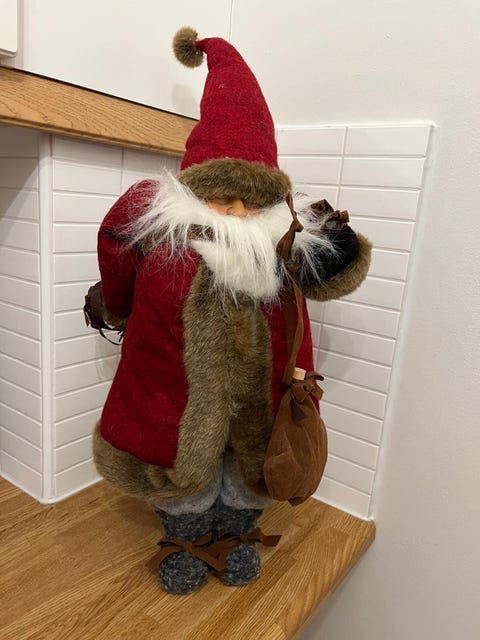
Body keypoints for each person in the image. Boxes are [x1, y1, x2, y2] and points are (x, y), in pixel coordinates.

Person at [92, 27, 371, 595]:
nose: (239, 212)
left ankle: (238, 535)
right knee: (180, 470)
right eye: (223, 198)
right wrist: (115, 306)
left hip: (263, 395)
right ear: (194, 193)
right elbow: (117, 258)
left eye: (253, 200)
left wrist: (337, 247)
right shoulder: (164, 243)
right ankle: (187, 539)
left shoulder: (285, 249)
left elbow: (333, 277)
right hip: (172, 395)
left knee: (251, 467)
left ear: (275, 200)